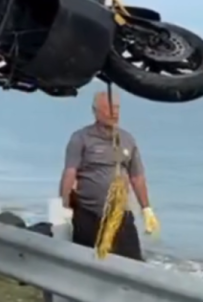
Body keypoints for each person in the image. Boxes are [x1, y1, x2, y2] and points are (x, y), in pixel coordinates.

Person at [58, 89, 159, 261]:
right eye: (108, 108)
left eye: (117, 108)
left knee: (133, 262)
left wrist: (146, 209)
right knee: (88, 261)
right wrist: (63, 206)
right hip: (88, 213)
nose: (114, 113)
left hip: (120, 214)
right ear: (95, 111)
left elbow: (137, 177)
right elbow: (70, 172)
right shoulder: (81, 138)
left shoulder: (127, 139)